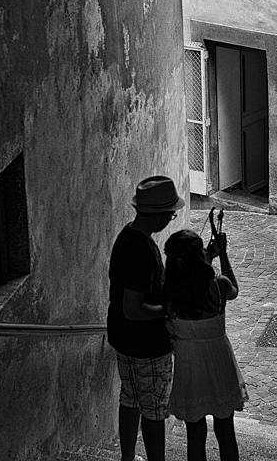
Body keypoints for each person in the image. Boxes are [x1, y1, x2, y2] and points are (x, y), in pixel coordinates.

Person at [107, 175, 185, 461]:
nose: (170, 219)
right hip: (147, 345)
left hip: (123, 338)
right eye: (170, 215)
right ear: (156, 215)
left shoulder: (127, 236)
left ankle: (127, 458)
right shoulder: (141, 251)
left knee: (130, 398)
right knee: (153, 410)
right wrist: (167, 309)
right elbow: (134, 309)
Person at [161, 217, 248, 461]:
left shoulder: (170, 295)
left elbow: (190, 282)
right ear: (199, 258)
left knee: (195, 433)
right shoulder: (219, 286)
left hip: (189, 364)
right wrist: (222, 255)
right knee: (225, 429)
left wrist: (205, 256)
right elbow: (234, 289)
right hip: (218, 359)